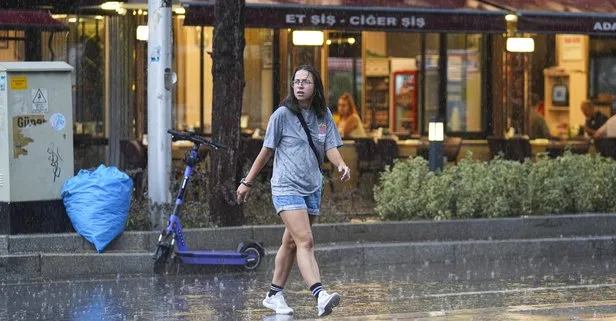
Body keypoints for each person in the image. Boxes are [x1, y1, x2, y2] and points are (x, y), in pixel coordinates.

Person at [236, 64, 351, 317]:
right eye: (296, 81)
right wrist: (247, 181)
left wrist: (341, 164)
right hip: (286, 185)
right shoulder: (282, 115)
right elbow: (266, 151)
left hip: (312, 187)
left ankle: (274, 293)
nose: (299, 85)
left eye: (305, 82)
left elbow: (329, 146)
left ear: (315, 87)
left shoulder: (324, 115)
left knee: (290, 242)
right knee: (305, 240)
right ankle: (320, 295)